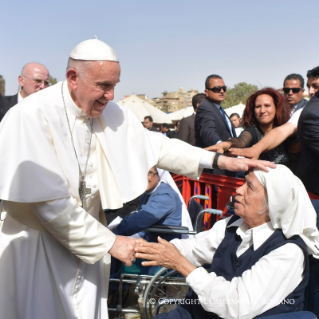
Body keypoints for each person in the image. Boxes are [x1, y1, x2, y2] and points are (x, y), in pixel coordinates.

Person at [0, 39, 273, 319]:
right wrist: (110, 243)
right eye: (103, 85)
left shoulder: (107, 112)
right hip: (38, 246)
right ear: (72, 78)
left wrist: (217, 160)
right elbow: (49, 204)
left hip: (88, 243)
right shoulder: (30, 115)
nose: (111, 95)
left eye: (114, 85)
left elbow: (156, 145)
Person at [135, 165, 319, 319]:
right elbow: (195, 247)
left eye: (250, 187)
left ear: (273, 204)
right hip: (193, 313)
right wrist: (147, 248)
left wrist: (181, 265)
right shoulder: (233, 224)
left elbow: (237, 304)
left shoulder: (288, 251)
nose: (239, 189)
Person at [228, 66, 319, 171]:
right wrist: (229, 144)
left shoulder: (308, 108)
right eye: (286, 90)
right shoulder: (306, 112)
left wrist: (303, 143)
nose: (311, 91)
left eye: (294, 90)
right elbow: (282, 131)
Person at [205, 88, 292, 166]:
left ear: (277, 108)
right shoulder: (253, 131)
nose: (262, 110)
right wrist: (226, 144)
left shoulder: (286, 130)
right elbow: (241, 140)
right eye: (258, 106)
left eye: (267, 105)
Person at [195, 74, 237, 177]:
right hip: (215, 170)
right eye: (217, 89)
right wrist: (220, 145)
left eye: (224, 88)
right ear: (207, 92)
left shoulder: (220, 110)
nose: (222, 91)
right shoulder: (205, 108)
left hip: (228, 165)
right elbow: (207, 131)